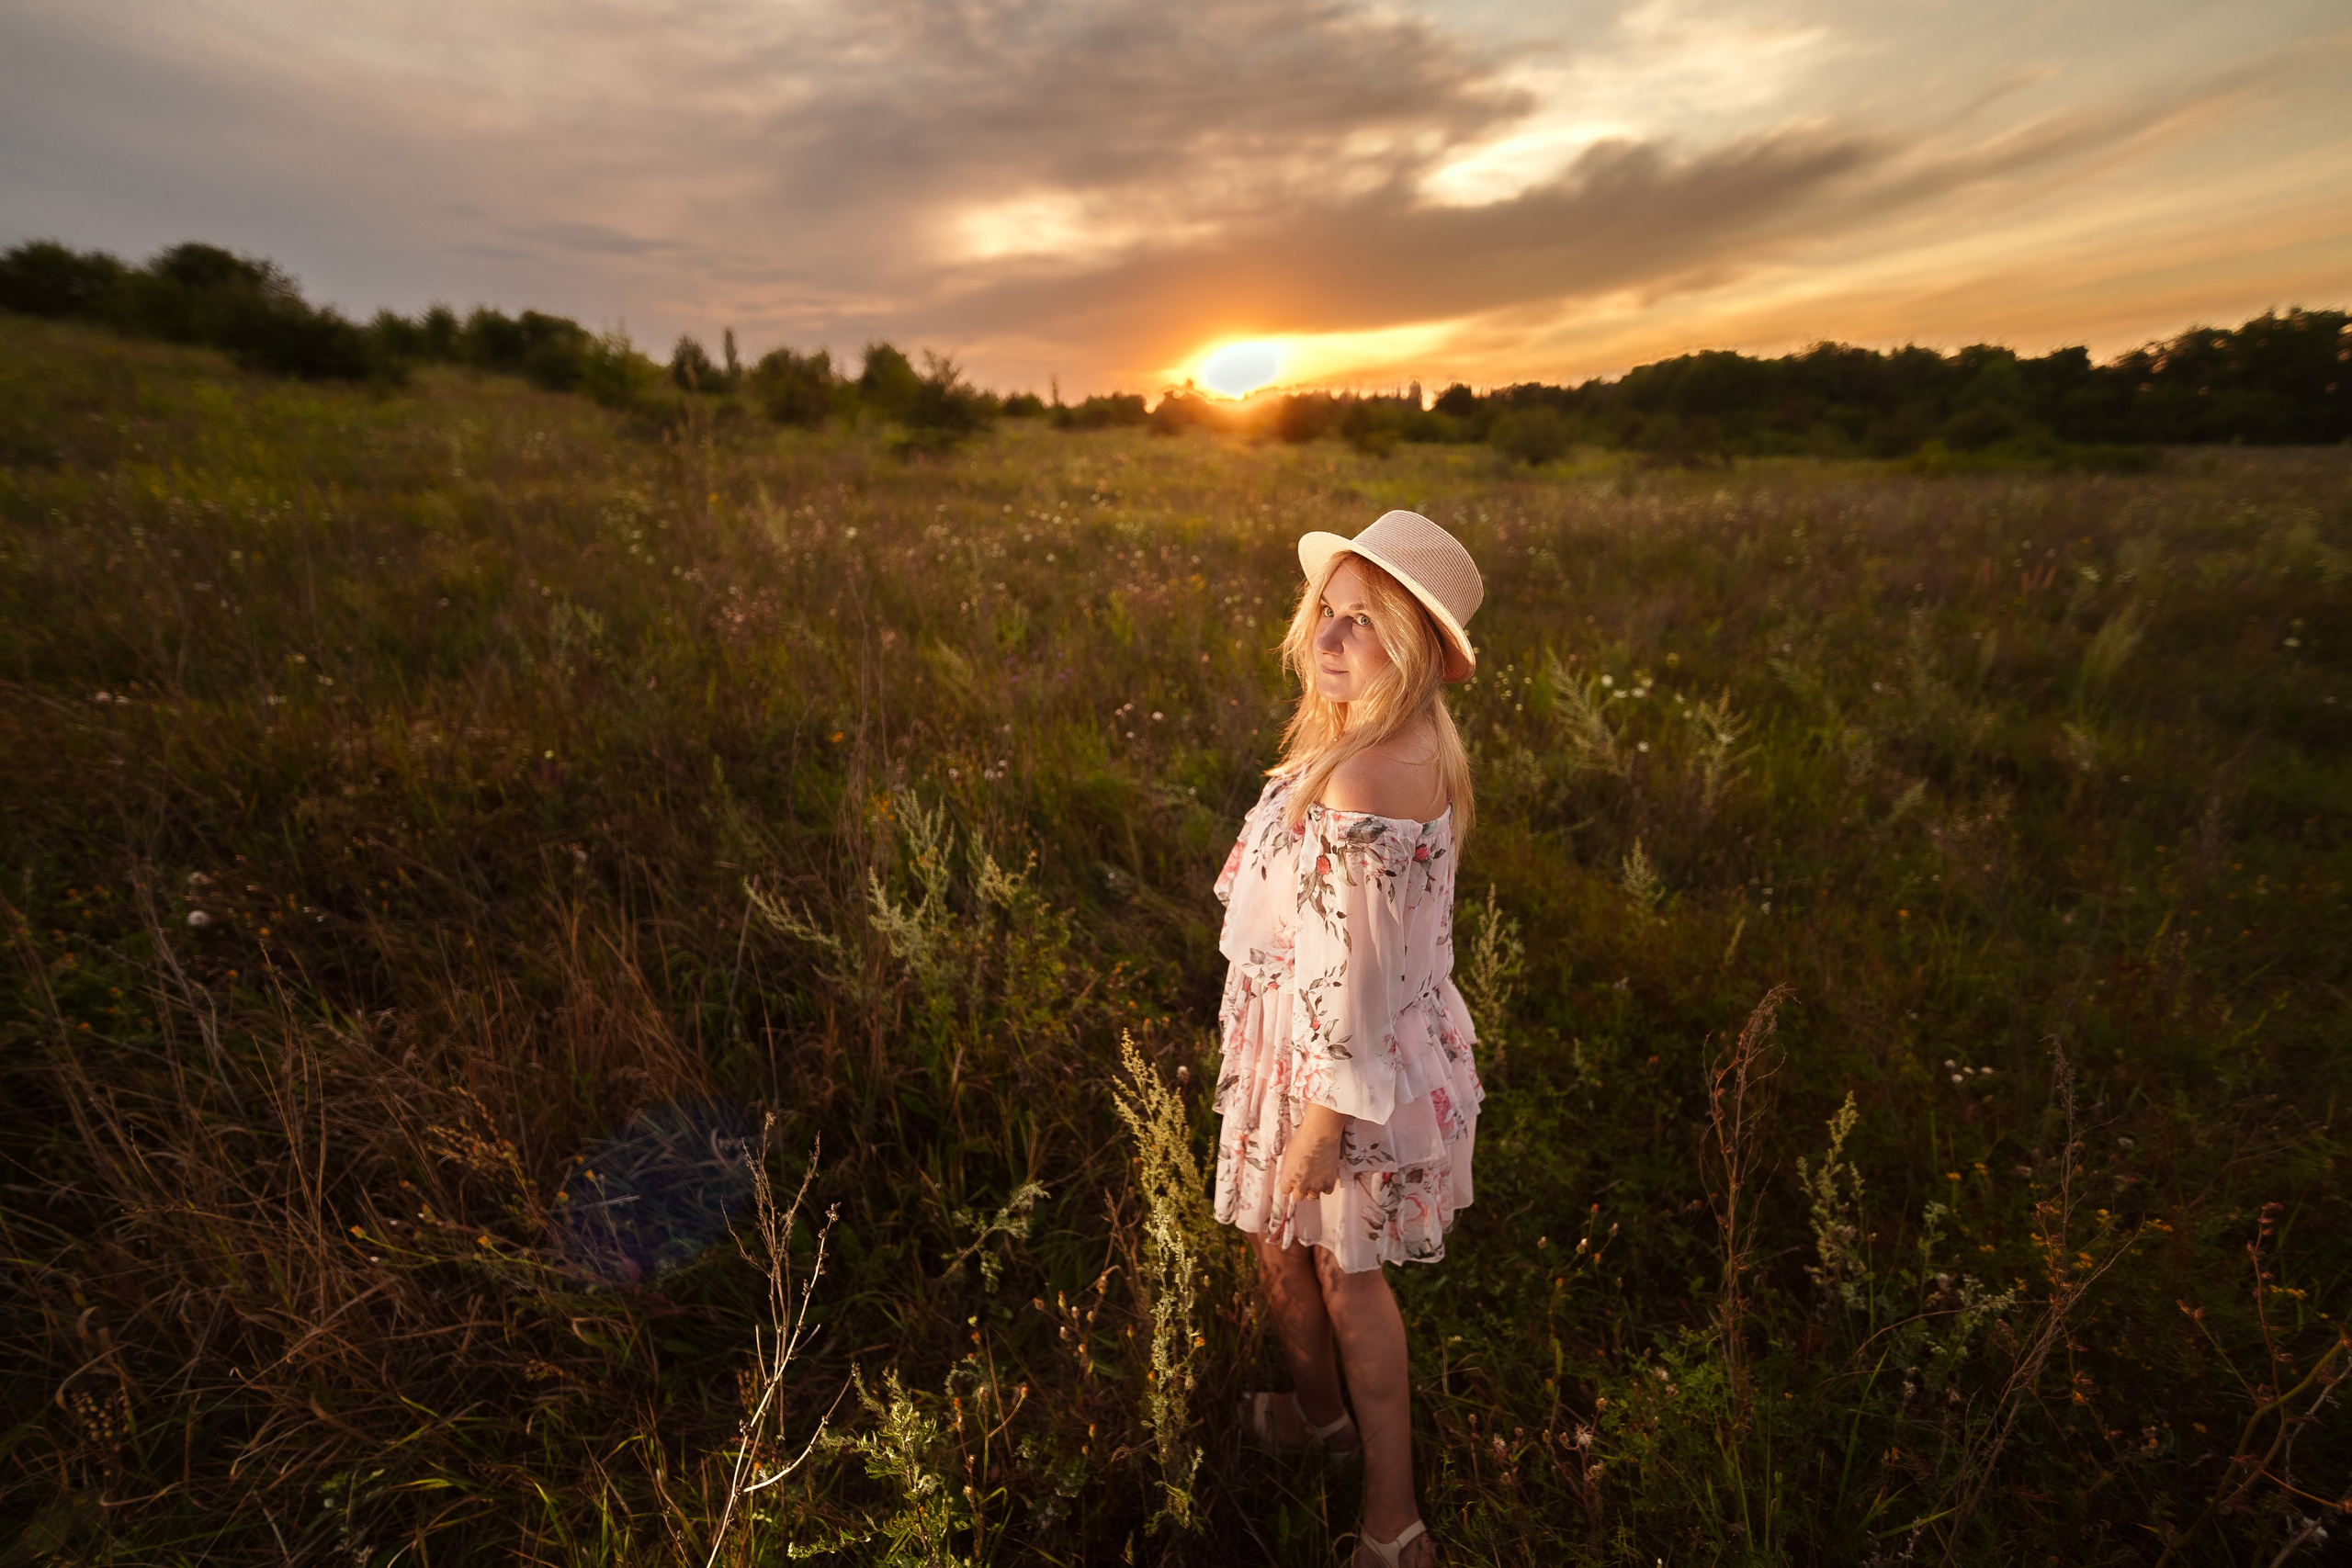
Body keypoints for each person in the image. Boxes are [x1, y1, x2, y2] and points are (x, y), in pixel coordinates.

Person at [1210, 509, 1485, 1568]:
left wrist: (1321, 1123)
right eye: (1325, 612)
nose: (1326, 638)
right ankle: (1318, 1419)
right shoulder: (1382, 741)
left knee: (1344, 1275)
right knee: (1279, 1243)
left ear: (1412, 645)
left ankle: (1391, 1521)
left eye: (1361, 621)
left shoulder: (1365, 779)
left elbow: (1353, 980)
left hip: (1336, 1070)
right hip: (1319, 1046)